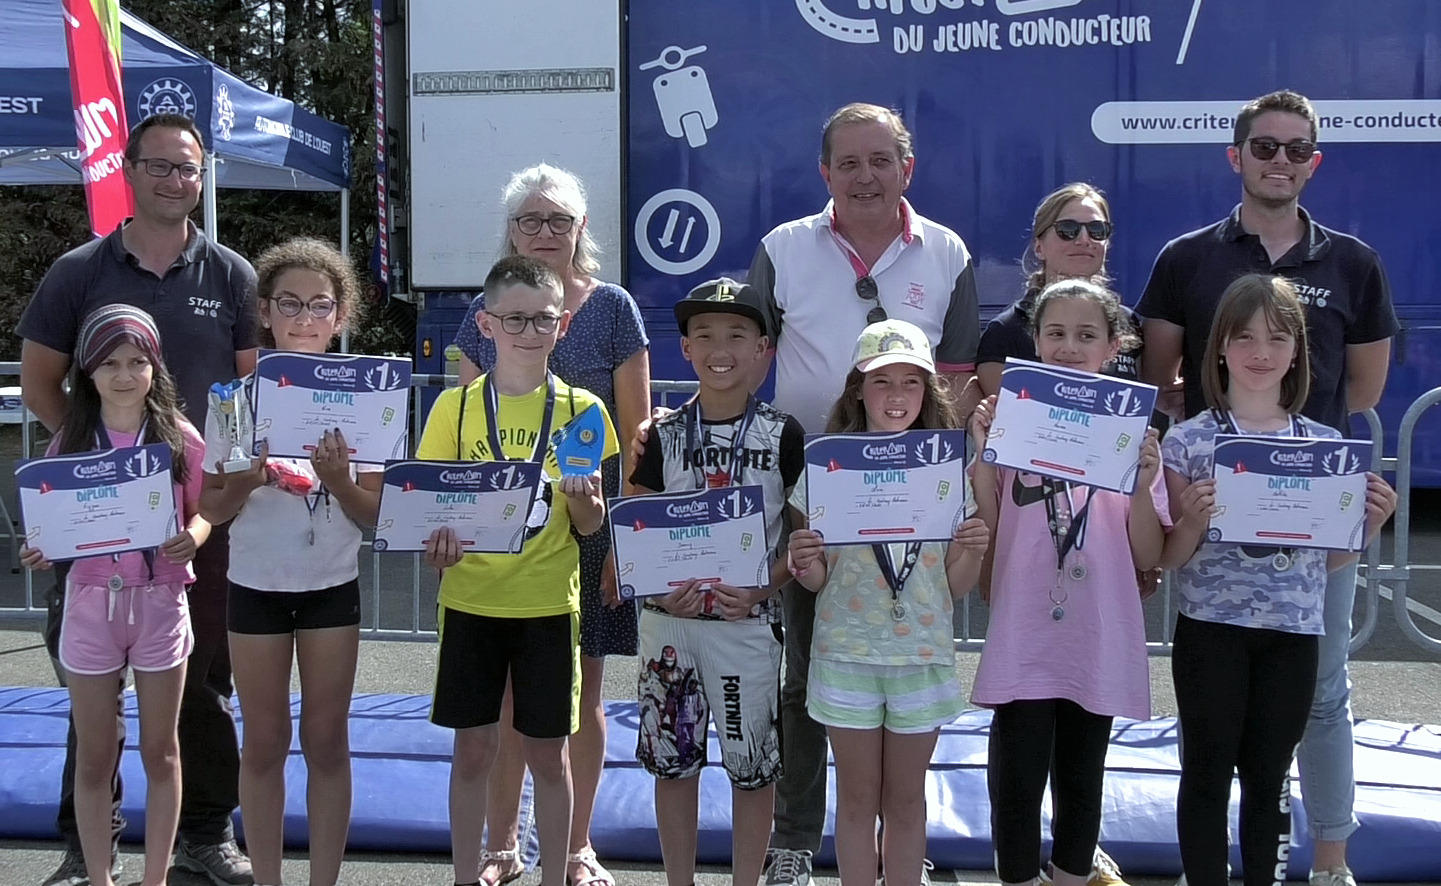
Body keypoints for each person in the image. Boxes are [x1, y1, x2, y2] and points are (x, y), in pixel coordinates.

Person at [1137, 90, 1399, 886]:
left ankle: (1327, 859)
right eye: (1263, 147)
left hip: (1310, 515)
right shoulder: (1187, 257)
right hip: (1213, 592)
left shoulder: (1352, 260)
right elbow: (1158, 373)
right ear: (1236, 155)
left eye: (1294, 149)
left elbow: (1359, 387)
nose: (1278, 160)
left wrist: (1305, 484)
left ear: (1311, 162)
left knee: (1320, 699)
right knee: (1209, 754)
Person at [19, 112, 258, 886]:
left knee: (204, 685)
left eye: (187, 169)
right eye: (159, 166)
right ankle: (86, 852)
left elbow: (250, 399)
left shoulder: (230, 274)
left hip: (197, 524)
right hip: (95, 545)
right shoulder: (78, 269)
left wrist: (198, 496)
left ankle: (205, 835)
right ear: (129, 169)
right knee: (89, 706)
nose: (174, 180)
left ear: (201, 179)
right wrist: (99, 469)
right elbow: (37, 382)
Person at [746, 102, 982, 886]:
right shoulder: (783, 247)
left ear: (905, 168)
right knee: (806, 671)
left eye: (880, 160)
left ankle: (900, 852)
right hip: (812, 485)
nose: (864, 176)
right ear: (824, 173)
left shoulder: (945, 252)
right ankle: (794, 839)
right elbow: (744, 359)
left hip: (915, 503)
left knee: (885, 668)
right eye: (847, 163)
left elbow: (951, 380)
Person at [451, 164, 649, 886]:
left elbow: (635, 438)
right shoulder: (486, 308)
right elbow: (467, 431)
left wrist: (619, 543)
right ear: (508, 230)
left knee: (583, 698)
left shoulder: (613, 307)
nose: (543, 233)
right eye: (529, 220)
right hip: (501, 541)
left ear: (580, 229)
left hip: (587, 526)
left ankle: (574, 848)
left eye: (558, 220)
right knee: (505, 703)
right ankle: (503, 845)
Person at [417, 255, 618, 886]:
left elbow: (590, 527)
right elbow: (430, 512)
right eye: (516, 319)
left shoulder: (583, 409)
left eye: (544, 319)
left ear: (564, 326)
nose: (530, 331)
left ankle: (554, 877)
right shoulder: (455, 408)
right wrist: (438, 544)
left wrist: (588, 505)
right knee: (473, 749)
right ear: (485, 324)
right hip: (472, 601)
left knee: (548, 755)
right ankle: (463, 874)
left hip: (548, 607)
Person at [968, 281, 1169, 886]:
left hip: (1098, 628)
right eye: (1055, 333)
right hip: (1024, 624)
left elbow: (1149, 550)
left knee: (1084, 778)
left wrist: (1139, 483)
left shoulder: (1134, 430)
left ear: (1113, 346)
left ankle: (1074, 875)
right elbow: (992, 523)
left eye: (1087, 335)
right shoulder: (1010, 419)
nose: (1069, 347)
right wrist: (982, 456)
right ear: (1034, 341)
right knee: (1017, 779)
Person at [196, 239, 377, 886]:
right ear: (266, 312)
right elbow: (212, 508)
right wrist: (246, 479)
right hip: (255, 588)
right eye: (290, 303)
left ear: (340, 314)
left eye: (320, 305)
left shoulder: (367, 395)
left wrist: (340, 479)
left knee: (327, 742)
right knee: (265, 742)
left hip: (332, 586)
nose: (305, 317)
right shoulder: (236, 401)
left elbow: (376, 514)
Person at [786, 319, 988, 886]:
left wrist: (972, 550)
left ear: (928, 391)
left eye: (910, 383)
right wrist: (805, 558)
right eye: (881, 383)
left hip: (921, 659)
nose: (896, 396)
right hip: (846, 654)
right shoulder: (827, 467)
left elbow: (954, 587)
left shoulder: (948, 473)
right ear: (858, 391)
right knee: (855, 803)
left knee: (905, 803)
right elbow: (816, 580)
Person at [20, 306, 211, 886]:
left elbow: (202, 514)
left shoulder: (180, 437)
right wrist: (41, 549)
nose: (124, 375)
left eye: (136, 362)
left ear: (155, 367)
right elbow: (52, 534)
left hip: (159, 604)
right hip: (89, 605)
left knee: (162, 751)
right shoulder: (70, 440)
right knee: (95, 757)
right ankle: (100, 876)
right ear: (86, 372)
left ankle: (155, 878)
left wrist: (192, 537)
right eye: (109, 363)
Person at [628, 278, 803, 886]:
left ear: (764, 350)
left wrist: (763, 588)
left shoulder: (784, 435)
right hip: (669, 624)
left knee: (752, 769)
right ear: (684, 347)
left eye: (737, 334)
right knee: (673, 767)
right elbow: (635, 521)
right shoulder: (663, 434)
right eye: (705, 335)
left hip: (746, 626)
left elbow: (803, 539)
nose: (719, 347)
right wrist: (652, 585)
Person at [976, 183, 1142, 394]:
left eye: (1097, 230)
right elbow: (1002, 418)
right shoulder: (1006, 330)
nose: (1084, 240)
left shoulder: (1128, 322)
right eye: (1068, 230)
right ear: (1039, 247)